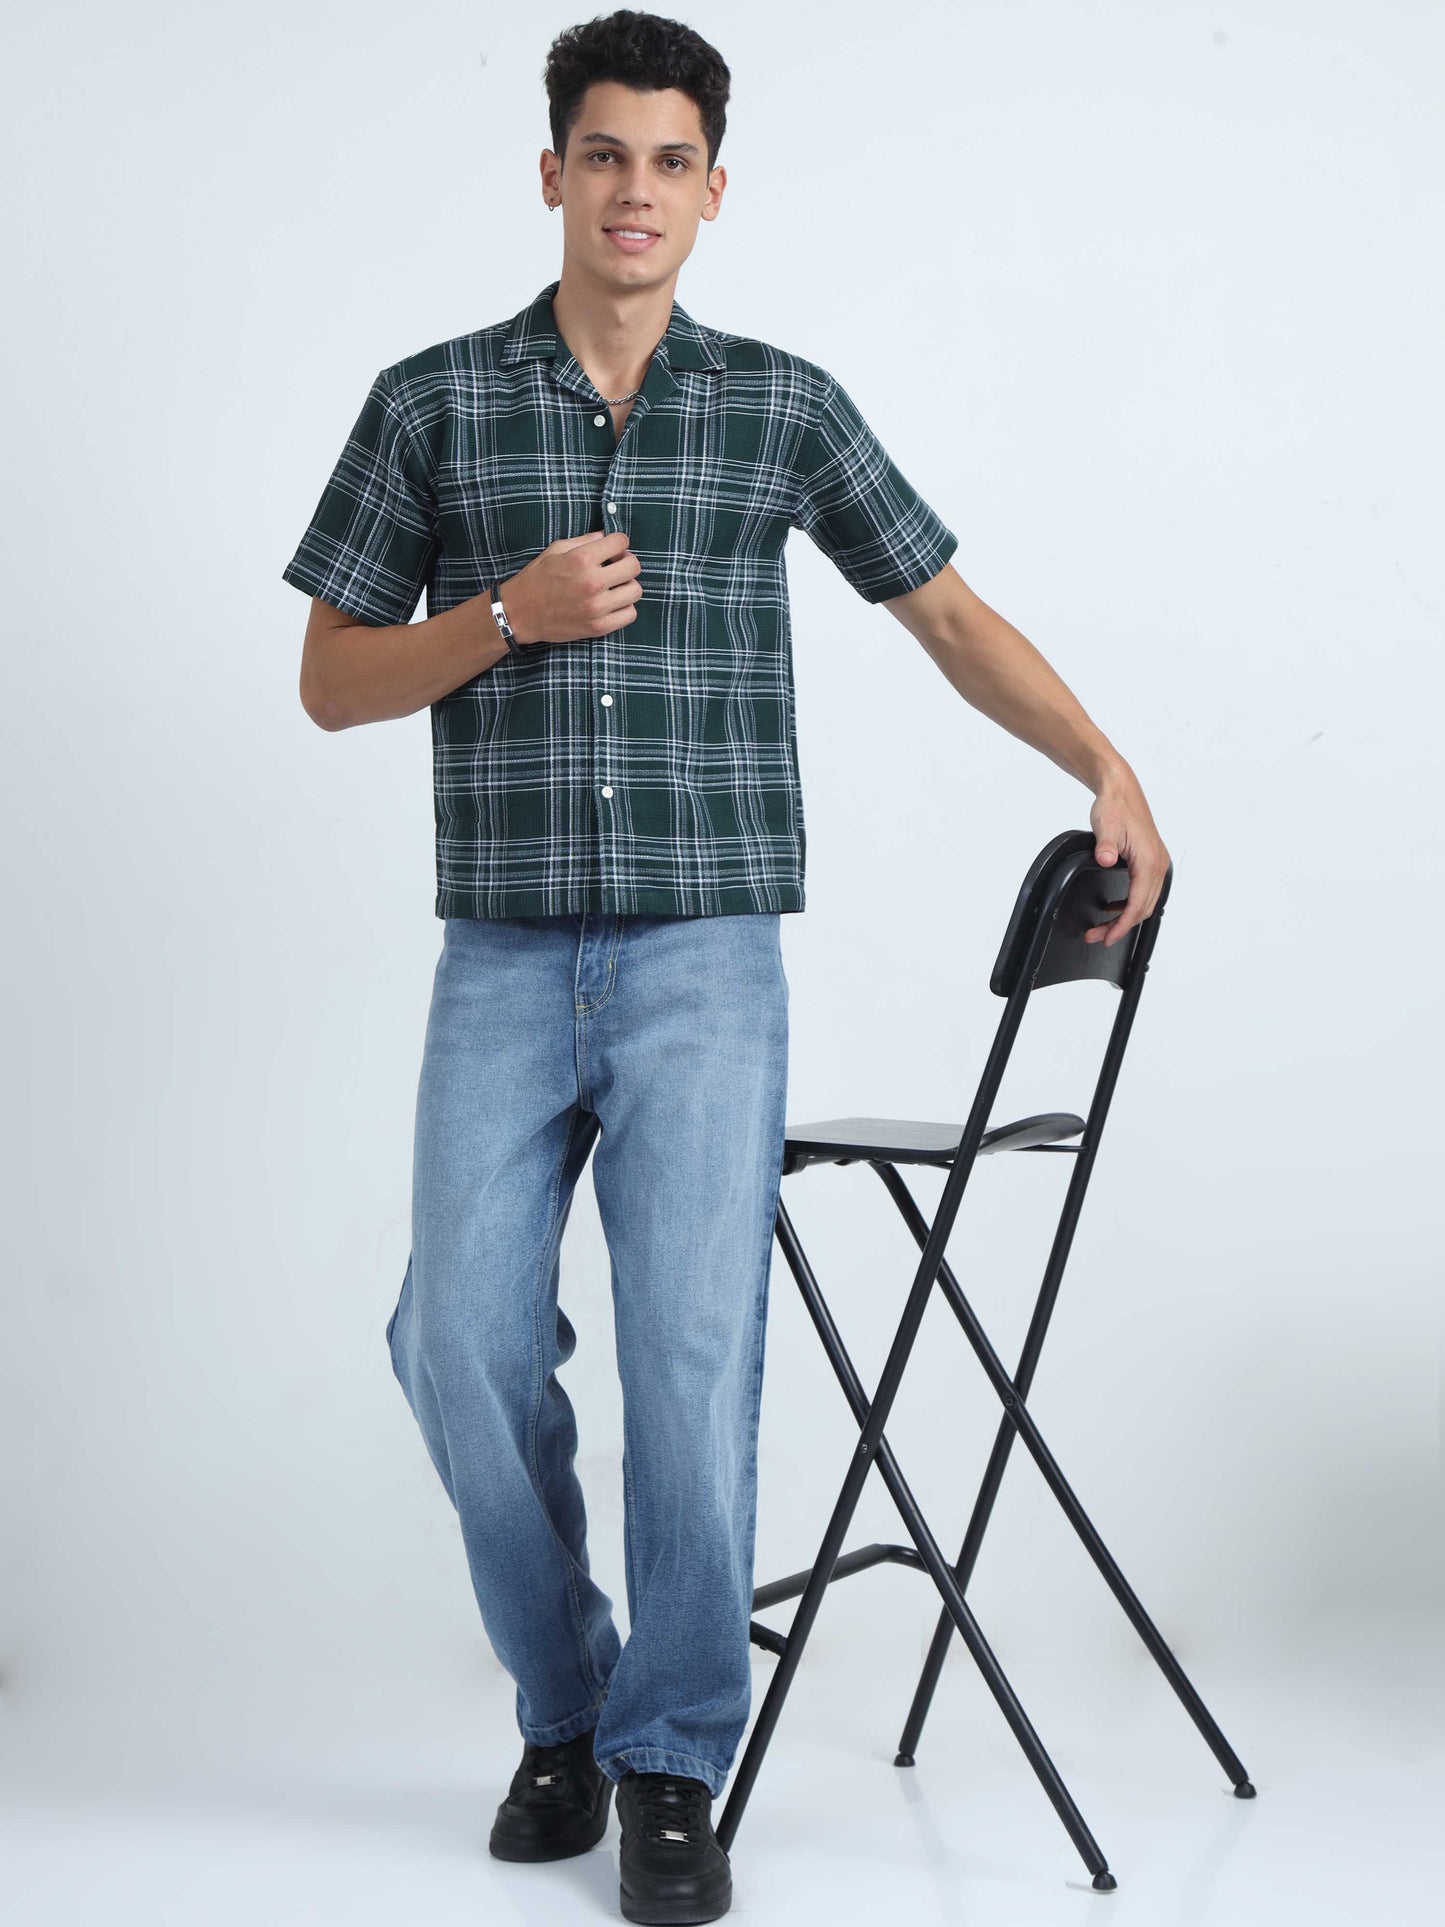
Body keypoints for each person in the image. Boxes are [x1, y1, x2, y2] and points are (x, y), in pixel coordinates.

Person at [282, 11, 1169, 1923]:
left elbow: (942, 613)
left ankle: (669, 1760)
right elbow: (331, 680)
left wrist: (1098, 761)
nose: (635, 191)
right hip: (501, 957)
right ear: (552, 174)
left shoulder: (778, 406)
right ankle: (566, 1704)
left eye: (669, 161)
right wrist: (501, 616)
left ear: (710, 190)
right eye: (603, 155)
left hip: (706, 961)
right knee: (456, 1343)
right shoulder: (432, 402)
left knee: (691, 1361)